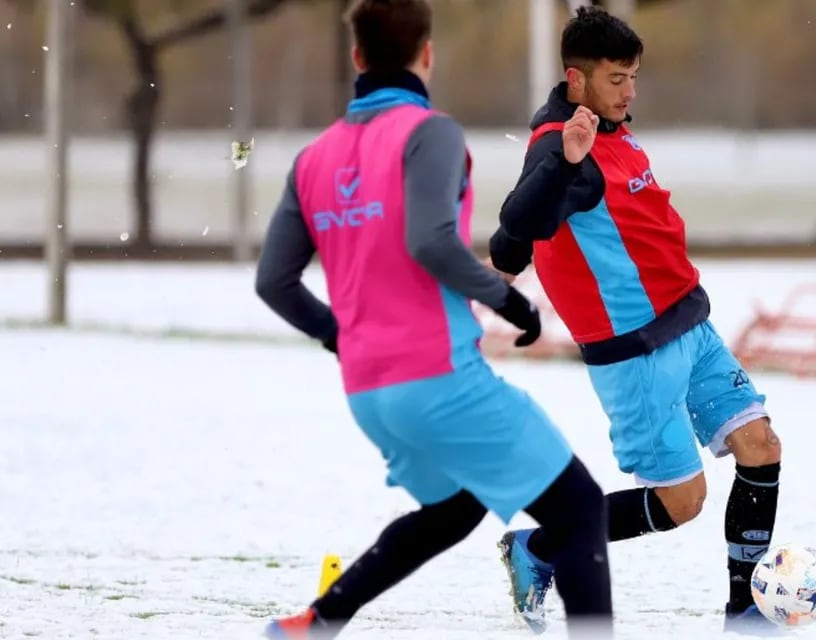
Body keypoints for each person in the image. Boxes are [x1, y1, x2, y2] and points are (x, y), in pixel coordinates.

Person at [253, 1, 613, 638]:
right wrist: (509, 301)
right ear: (427, 54)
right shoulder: (432, 132)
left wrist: (340, 336)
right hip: (440, 378)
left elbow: (273, 282)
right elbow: (430, 241)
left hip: (368, 391)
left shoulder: (313, 159)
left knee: (456, 505)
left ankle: (316, 621)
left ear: (358, 59)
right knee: (580, 508)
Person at [489, 6, 783, 636]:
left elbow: (520, 247)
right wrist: (566, 163)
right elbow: (516, 228)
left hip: (689, 324)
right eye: (618, 78)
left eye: (633, 77)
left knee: (761, 447)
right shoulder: (566, 146)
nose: (630, 90)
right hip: (636, 353)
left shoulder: (611, 126)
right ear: (576, 79)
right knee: (682, 503)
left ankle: (746, 612)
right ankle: (540, 547)